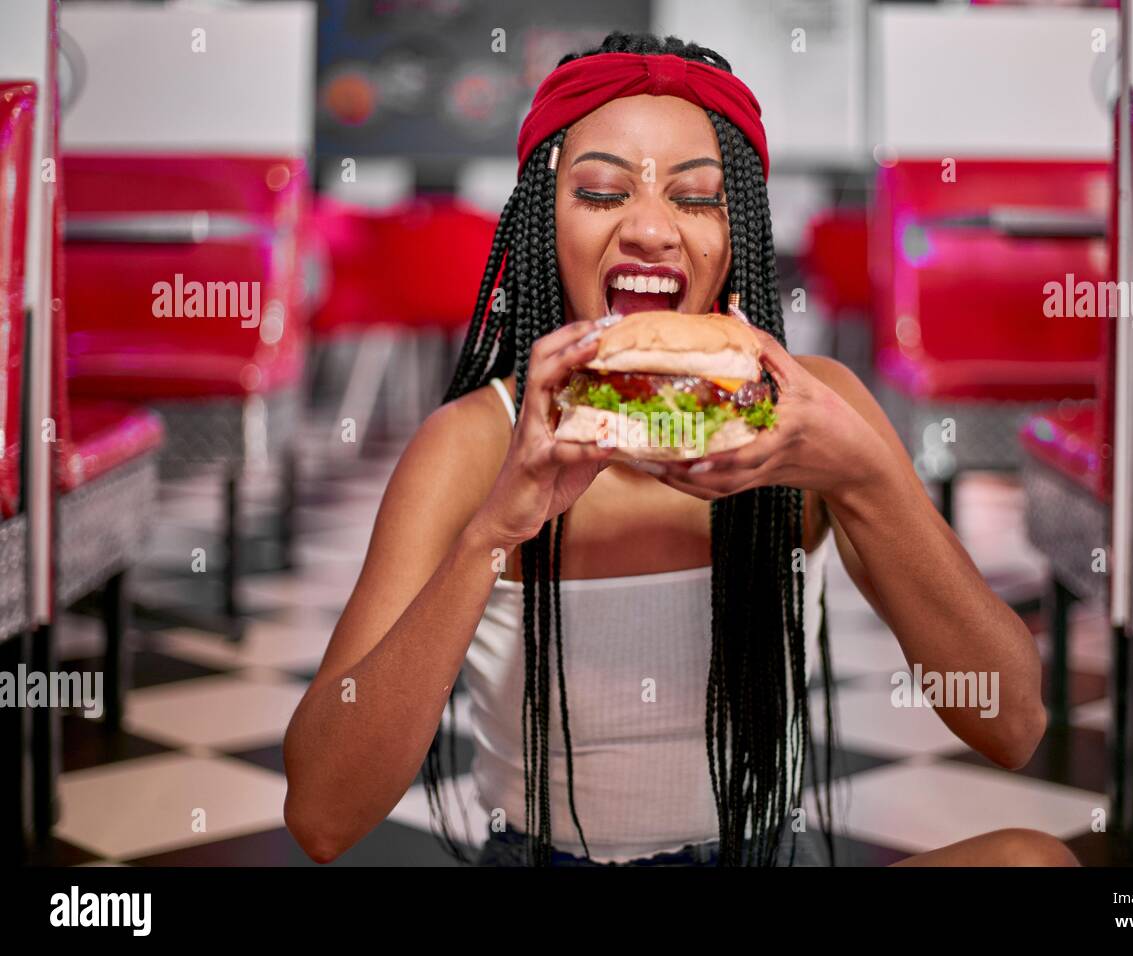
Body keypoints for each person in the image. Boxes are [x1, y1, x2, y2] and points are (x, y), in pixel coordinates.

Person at [283, 32, 1078, 868]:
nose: (652, 229)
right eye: (600, 192)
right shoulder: (473, 442)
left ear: (741, 233)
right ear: (542, 221)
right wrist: (494, 530)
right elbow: (323, 816)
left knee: (1032, 860)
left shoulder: (811, 408)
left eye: (697, 199)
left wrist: (867, 474)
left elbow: (1012, 726)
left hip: (759, 854)